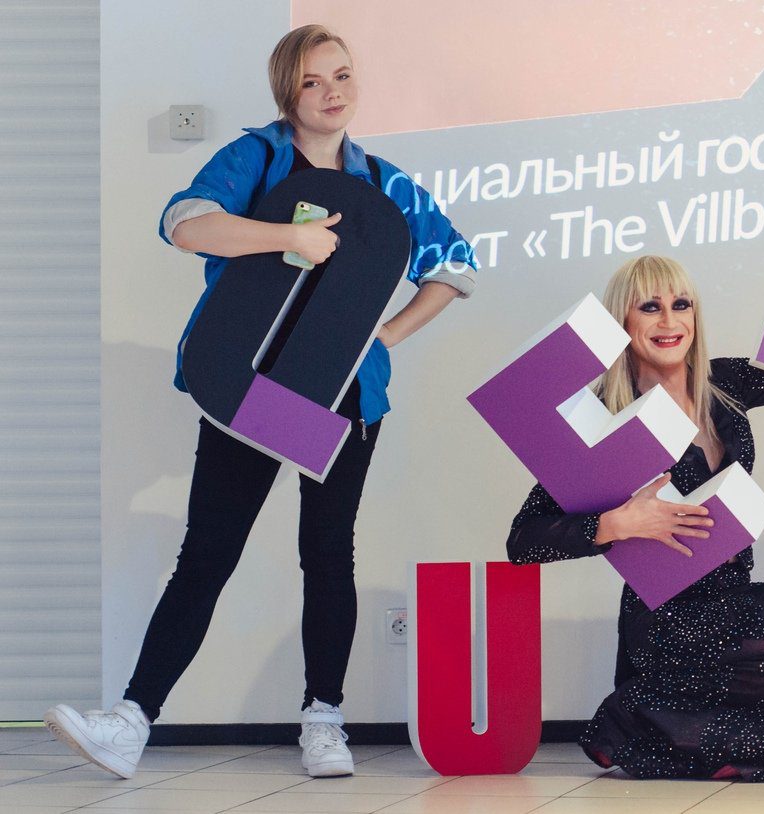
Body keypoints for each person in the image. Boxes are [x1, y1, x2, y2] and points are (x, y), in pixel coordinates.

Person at [43, 25, 476, 779]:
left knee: (326, 551)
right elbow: (185, 224)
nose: (332, 92)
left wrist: (383, 339)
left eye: (342, 75)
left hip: (343, 395)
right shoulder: (258, 158)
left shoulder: (386, 182)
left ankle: (324, 721)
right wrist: (288, 238)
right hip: (253, 386)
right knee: (209, 551)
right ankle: (131, 721)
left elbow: (456, 266)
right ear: (287, 91)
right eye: (313, 80)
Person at [506, 255, 764, 783]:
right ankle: (654, 720)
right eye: (649, 308)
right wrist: (617, 524)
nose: (669, 322)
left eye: (681, 305)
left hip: (735, 604)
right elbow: (523, 541)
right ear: (621, 320)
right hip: (670, 623)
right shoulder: (603, 417)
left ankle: (698, 739)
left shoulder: (725, 383)